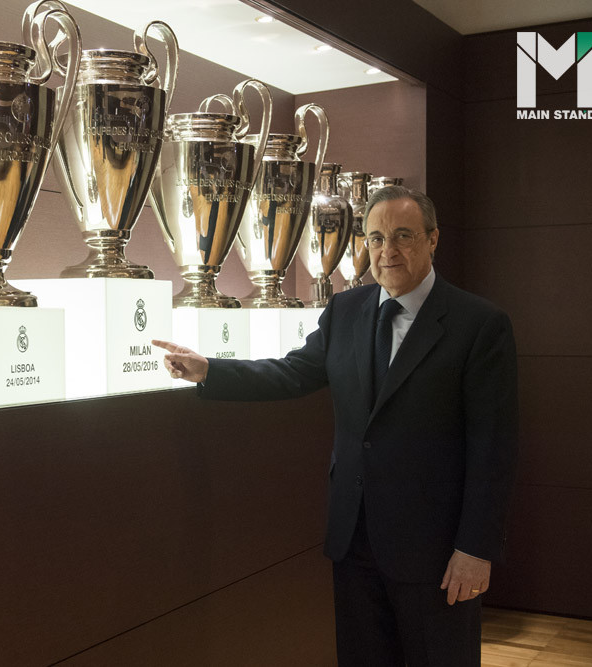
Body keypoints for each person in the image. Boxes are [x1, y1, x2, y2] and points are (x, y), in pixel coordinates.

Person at [153, 186, 517, 666]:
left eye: (403, 236)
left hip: (435, 551)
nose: (387, 251)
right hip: (355, 543)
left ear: (432, 240)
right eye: (375, 238)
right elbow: (291, 373)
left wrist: (475, 548)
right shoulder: (346, 311)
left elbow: (493, 447)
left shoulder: (479, 324)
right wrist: (209, 371)